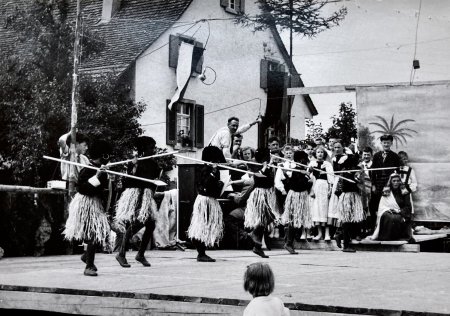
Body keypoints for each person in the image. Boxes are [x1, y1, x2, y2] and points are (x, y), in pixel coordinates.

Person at [62, 139, 112, 276]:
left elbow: (102, 190)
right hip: (86, 204)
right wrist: (97, 176)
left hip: (96, 204)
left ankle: (86, 257)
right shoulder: (88, 169)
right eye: (108, 156)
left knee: (97, 234)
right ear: (103, 156)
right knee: (92, 234)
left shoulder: (102, 170)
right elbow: (82, 189)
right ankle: (88, 266)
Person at [114, 136, 161, 268]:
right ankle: (121, 254)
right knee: (136, 223)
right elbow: (128, 181)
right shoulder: (134, 162)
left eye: (154, 147)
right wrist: (133, 167)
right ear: (143, 148)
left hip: (147, 196)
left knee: (151, 224)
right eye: (151, 147)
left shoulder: (153, 163)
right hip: (136, 195)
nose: (153, 150)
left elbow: (153, 181)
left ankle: (140, 254)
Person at [187, 146, 226, 262]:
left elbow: (214, 187)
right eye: (216, 160)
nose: (218, 163)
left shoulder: (214, 170)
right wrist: (213, 174)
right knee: (201, 225)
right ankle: (200, 252)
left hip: (211, 200)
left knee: (207, 225)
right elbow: (205, 184)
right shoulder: (204, 169)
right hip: (204, 201)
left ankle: (202, 251)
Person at [244, 148, 280, 258]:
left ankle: (257, 246)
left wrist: (270, 164)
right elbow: (256, 177)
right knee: (265, 218)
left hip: (268, 194)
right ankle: (255, 236)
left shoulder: (268, 165)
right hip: (260, 195)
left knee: (268, 218)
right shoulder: (254, 165)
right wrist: (265, 167)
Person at [281, 151, 313, 254]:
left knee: (297, 221)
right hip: (296, 197)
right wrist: (308, 179)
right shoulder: (296, 171)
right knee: (294, 219)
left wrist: (309, 174)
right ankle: (288, 243)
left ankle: (289, 240)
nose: (305, 161)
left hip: (301, 197)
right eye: (303, 160)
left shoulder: (302, 170)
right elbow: (299, 185)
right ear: (299, 160)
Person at [369, 173, 413, 241]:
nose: (396, 183)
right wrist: (388, 210)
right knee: (387, 216)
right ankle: (385, 238)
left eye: (398, 181)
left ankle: (396, 237)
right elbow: (382, 206)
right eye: (394, 181)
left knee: (395, 218)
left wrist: (398, 211)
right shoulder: (386, 192)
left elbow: (408, 207)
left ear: (400, 182)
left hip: (401, 213)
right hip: (388, 212)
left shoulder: (404, 192)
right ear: (391, 182)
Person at [334, 155, 365, 252]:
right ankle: (345, 244)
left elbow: (338, 189)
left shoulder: (345, 170)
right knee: (348, 220)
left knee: (349, 220)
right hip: (351, 196)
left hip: (346, 196)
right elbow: (360, 183)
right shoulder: (355, 170)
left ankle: (340, 235)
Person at [370, 134, 401, 230]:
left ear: (391, 143)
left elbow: (397, 173)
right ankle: (374, 228)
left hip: (389, 186)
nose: (386, 144)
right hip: (378, 184)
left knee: (387, 207)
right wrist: (373, 185)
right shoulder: (376, 156)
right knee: (374, 206)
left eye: (388, 142)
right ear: (381, 143)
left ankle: (387, 229)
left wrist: (390, 186)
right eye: (384, 142)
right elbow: (373, 172)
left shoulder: (395, 156)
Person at [309, 146, 333, 241]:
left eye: (322, 152)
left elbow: (331, 178)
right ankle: (319, 233)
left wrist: (330, 189)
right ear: (315, 154)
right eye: (318, 152)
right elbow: (309, 178)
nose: (320, 154)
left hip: (324, 187)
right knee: (317, 209)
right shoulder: (312, 163)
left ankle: (327, 234)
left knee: (325, 209)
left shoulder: (327, 164)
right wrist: (311, 190)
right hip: (315, 187)